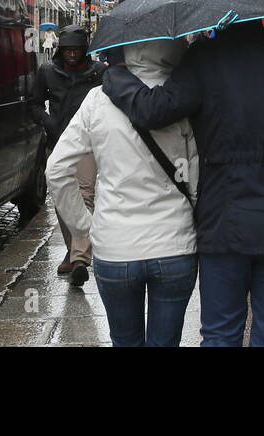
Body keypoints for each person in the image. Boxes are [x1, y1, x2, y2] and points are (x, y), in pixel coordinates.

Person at [102, 19, 264, 347]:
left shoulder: (204, 59)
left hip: (224, 221)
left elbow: (152, 110)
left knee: (221, 332)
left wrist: (116, 75)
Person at [47, 38, 198, 346]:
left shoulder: (96, 100)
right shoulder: (183, 97)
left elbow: (56, 170)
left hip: (115, 247)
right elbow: (195, 176)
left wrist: (83, 227)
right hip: (174, 245)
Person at [28, 26, 105, 285]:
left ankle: (80, 257)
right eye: (68, 50)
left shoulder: (98, 74)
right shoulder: (48, 72)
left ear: (85, 51)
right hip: (59, 139)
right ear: (61, 50)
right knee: (62, 196)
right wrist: (49, 122)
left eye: (77, 50)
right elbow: (34, 104)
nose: (72, 54)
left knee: (84, 194)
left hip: (86, 143)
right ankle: (74, 251)